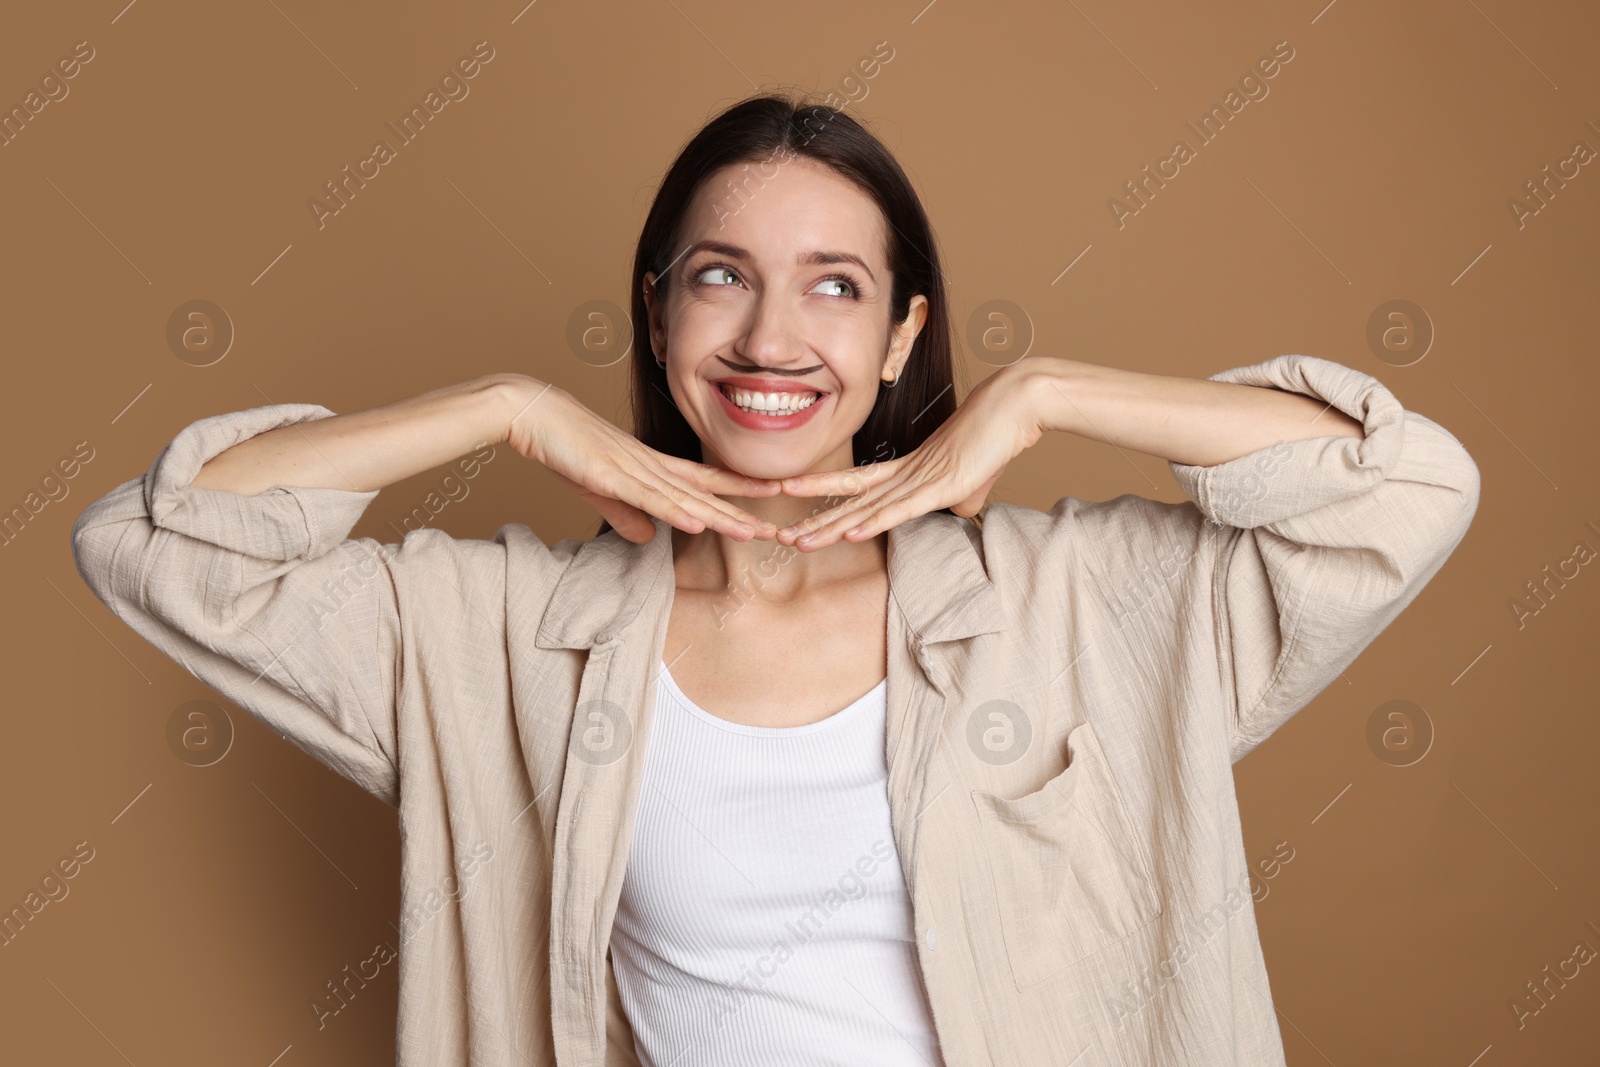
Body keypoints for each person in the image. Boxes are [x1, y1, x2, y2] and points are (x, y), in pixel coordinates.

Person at [70, 93, 1480, 1066]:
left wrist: (1047, 393)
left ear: (902, 332)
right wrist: (504, 406)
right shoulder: (502, 639)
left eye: (834, 286)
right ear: (658, 310)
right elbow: (156, 542)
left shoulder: (1068, 605)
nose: (769, 335)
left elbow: (1407, 489)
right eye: (718, 276)